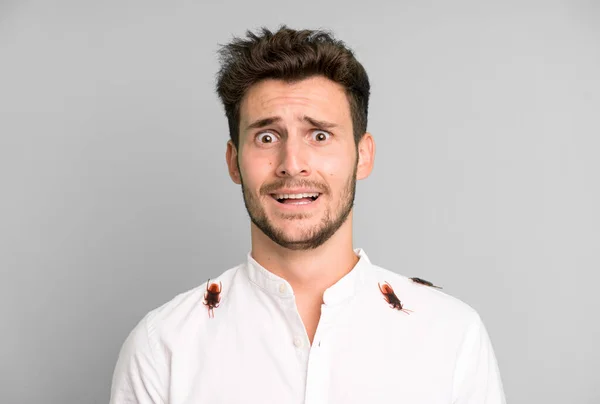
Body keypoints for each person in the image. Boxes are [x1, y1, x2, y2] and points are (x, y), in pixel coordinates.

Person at [109, 26, 506, 404]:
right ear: (234, 162)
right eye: (267, 137)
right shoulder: (162, 346)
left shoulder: (451, 336)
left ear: (362, 154)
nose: (292, 164)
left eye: (319, 135)